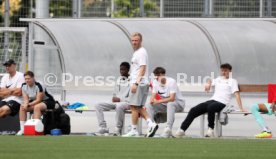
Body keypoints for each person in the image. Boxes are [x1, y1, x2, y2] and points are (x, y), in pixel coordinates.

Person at [175, 63, 246, 138]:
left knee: (211, 107)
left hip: (223, 102)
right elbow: (210, 80)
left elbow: (237, 94)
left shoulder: (233, 81)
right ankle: (182, 130)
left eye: (225, 70)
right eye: (222, 71)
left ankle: (210, 129)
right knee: (193, 110)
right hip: (212, 100)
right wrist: (208, 84)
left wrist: (241, 108)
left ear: (230, 71)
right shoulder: (218, 79)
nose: (223, 72)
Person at [122, 32, 158, 137]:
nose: (134, 42)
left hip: (139, 83)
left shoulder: (141, 52)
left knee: (133, 106)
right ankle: (150, 124)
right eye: (132, 40)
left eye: (136, 40)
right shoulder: (137, 52)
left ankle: (135, 130)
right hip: (141, 82)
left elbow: (142, 69)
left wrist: (136, 83)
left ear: (140, 41)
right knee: (137, 107)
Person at [147, 67, 185, 138]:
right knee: (149, 105)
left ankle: (168, 129)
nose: (157, 78)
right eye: (156, 76)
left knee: (170, 103)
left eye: (158, 76)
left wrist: (157, 101)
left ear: (163, 75)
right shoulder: (155, 82)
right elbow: (152, 97)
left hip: (178, 104)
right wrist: (152, 101)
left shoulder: (171, 81)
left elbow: (172, 98)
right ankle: (151, 127)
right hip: (165, 105)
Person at [95, 62, 131, 136]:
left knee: (119, 106)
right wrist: (114, 98)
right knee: (98, 105)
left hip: (127, 103)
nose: (121, 71)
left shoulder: (132, 81)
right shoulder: (118, 80)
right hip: (116, 103)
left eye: (123, 69)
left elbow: (132, 97)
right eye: (120, 69)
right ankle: (103, 127)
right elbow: (114, 94)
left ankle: (118, 129)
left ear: (128, 70)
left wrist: (120, 100)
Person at [16, 71, 56, 135]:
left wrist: (29, 104)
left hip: (48, 101)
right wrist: (26, 104)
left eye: (28, 78)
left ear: (33, 78)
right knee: (22, 107)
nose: (27, 80)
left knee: (37, 107)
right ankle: (22, 129)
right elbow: (26, 99)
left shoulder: (39, 85)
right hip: (35, 102)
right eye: (25, 79)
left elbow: (39, 100)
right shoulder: (23, 85)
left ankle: (36, 129)